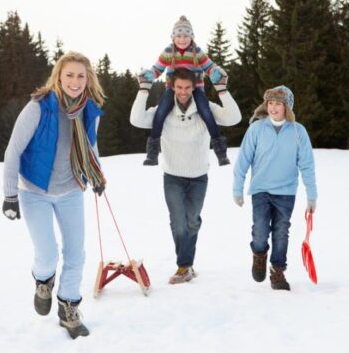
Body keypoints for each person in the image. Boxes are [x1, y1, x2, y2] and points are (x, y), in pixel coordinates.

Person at [1, 51, 106, 339]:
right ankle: (43, 280)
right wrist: (10, 195)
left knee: (76, 253)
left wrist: (96, 175)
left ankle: (68, 308)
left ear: (88, 80)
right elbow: (13, 150)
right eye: (69, 74)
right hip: (35, 191)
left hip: (71, 188)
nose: (75, 81)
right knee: (47, 253)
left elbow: (91, 146)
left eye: (81, 76)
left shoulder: (89, 110)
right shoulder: (39, 107)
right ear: (59, 76)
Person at [130, 67, 241, 284]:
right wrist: (143, 89)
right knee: (178, 223)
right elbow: (136, 120)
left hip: (199, 176)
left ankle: (185, 264)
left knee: (192, 221)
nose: (183, 92)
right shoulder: (163, 112)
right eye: (179, 87)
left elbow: (234, 118)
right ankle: (185, 265)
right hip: (172, 175)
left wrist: (222, 89)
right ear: (172, 86)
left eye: (187, 88)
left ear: (194, 87)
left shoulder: (204, 109)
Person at [232, 85, 317, 291]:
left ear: (287, 107)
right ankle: (259, 255)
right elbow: (243, 159)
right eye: (270, 103)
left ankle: (277, 271)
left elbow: (307, 164)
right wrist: (238, 187)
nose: (273, 107)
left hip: (286, 191)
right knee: (260, 230)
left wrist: (311, 195)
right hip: (261, 189)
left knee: (281, 231)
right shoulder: (257, 129)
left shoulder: (298, 132)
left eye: (278, 103)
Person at [138, 15, 230, 167]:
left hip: (196, 89)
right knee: (160, 113)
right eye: (179, 36)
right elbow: (157, 68)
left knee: (206, 113)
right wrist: (150, 74)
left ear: (191, 37)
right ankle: (152, 154)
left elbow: (209, 66)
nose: (182, 39)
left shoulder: (197, 52)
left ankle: (220, 153)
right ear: (173, 37)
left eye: (186, 36)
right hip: (172, 89)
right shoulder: (168, 51)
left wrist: (214, 72)